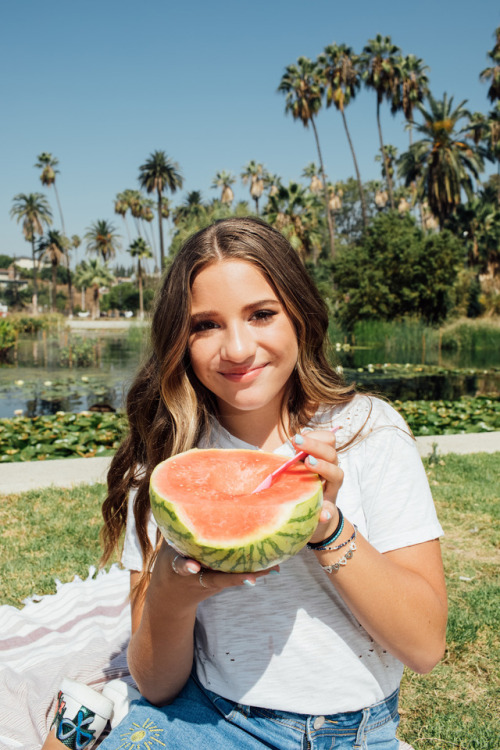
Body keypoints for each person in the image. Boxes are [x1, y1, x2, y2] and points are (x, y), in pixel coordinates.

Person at [99, 216, 447, 750]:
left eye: (261, 314)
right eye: (205, 325)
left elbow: (425, 646)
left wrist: (326, 526)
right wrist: (169, 597)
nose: (237, 348)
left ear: (299, 317)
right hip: (212, 717)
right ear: (179, 339)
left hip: (353, 732)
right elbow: (155, 684)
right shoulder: (168, 464)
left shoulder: (370, 432)